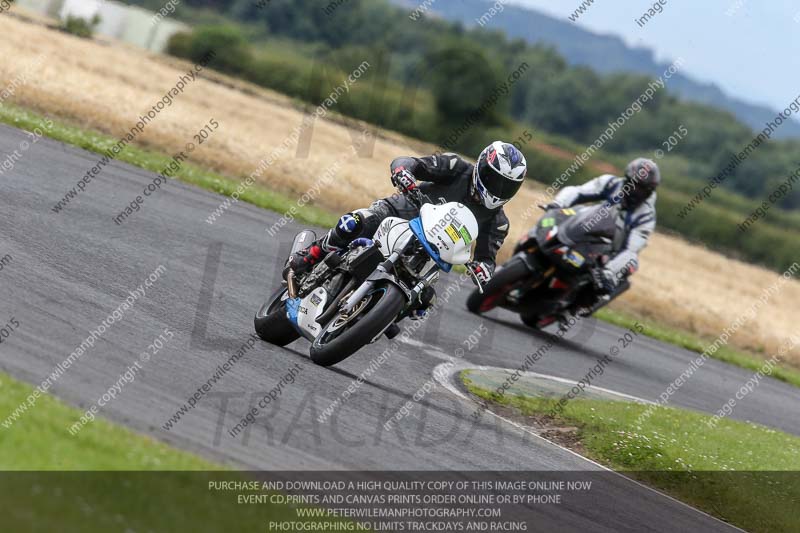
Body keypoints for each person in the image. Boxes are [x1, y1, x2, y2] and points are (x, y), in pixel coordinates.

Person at [285, 141, 528, 316]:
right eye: (495, 179)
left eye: (508, 187)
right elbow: (412, 163)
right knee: (357, 221)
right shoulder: (456, 167)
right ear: (481, 167)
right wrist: (403, 173)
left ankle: (379, 315)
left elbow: (487, 257)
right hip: (399, 212)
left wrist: (484, 269)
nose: (499, 189)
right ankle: (312, 254)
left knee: (424, 302)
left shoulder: (498, 222)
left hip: (429, 254)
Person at [550, 157, 659, 312]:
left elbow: (632, 249)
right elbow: (578, 191)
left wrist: (609, 271)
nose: (637, 191)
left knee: (628, 265)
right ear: (627, 180)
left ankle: (575, 307)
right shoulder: (611, 183)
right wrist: (558, 204)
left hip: (612, 251)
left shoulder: (646, 216)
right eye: (634, 185)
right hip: (590, 231)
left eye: (643, 189)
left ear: (650, 191)